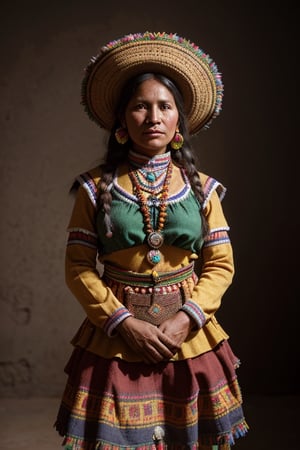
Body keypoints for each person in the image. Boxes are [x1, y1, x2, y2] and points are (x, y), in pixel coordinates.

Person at [54, 31, 249, 450]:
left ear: (180, 119)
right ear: (123, 120)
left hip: (191, 339)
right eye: (140, 106)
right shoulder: (94, 189)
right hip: (117, 340)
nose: (153, 117)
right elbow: (78, 267)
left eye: (165, 106)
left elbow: (220, 265)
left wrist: (184, 321)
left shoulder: (203, 190)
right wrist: (125, 323)